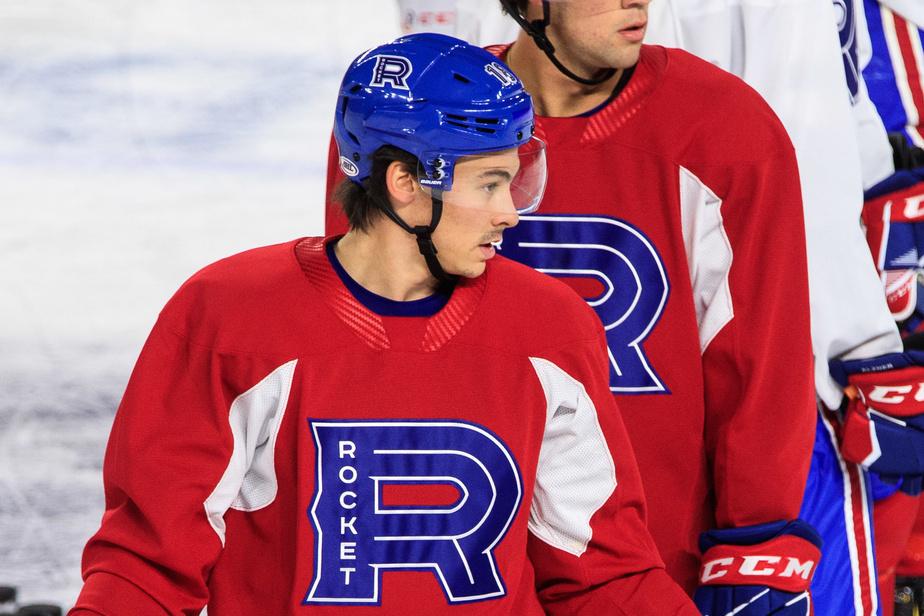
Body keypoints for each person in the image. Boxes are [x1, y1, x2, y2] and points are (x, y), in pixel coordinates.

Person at [69, 33, 698, 615]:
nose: (510, 213)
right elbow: (147, 566)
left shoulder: (550, 328)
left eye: (514, 181)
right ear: (403, 180)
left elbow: (603, 575)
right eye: (489, 184)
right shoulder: (232, 318)